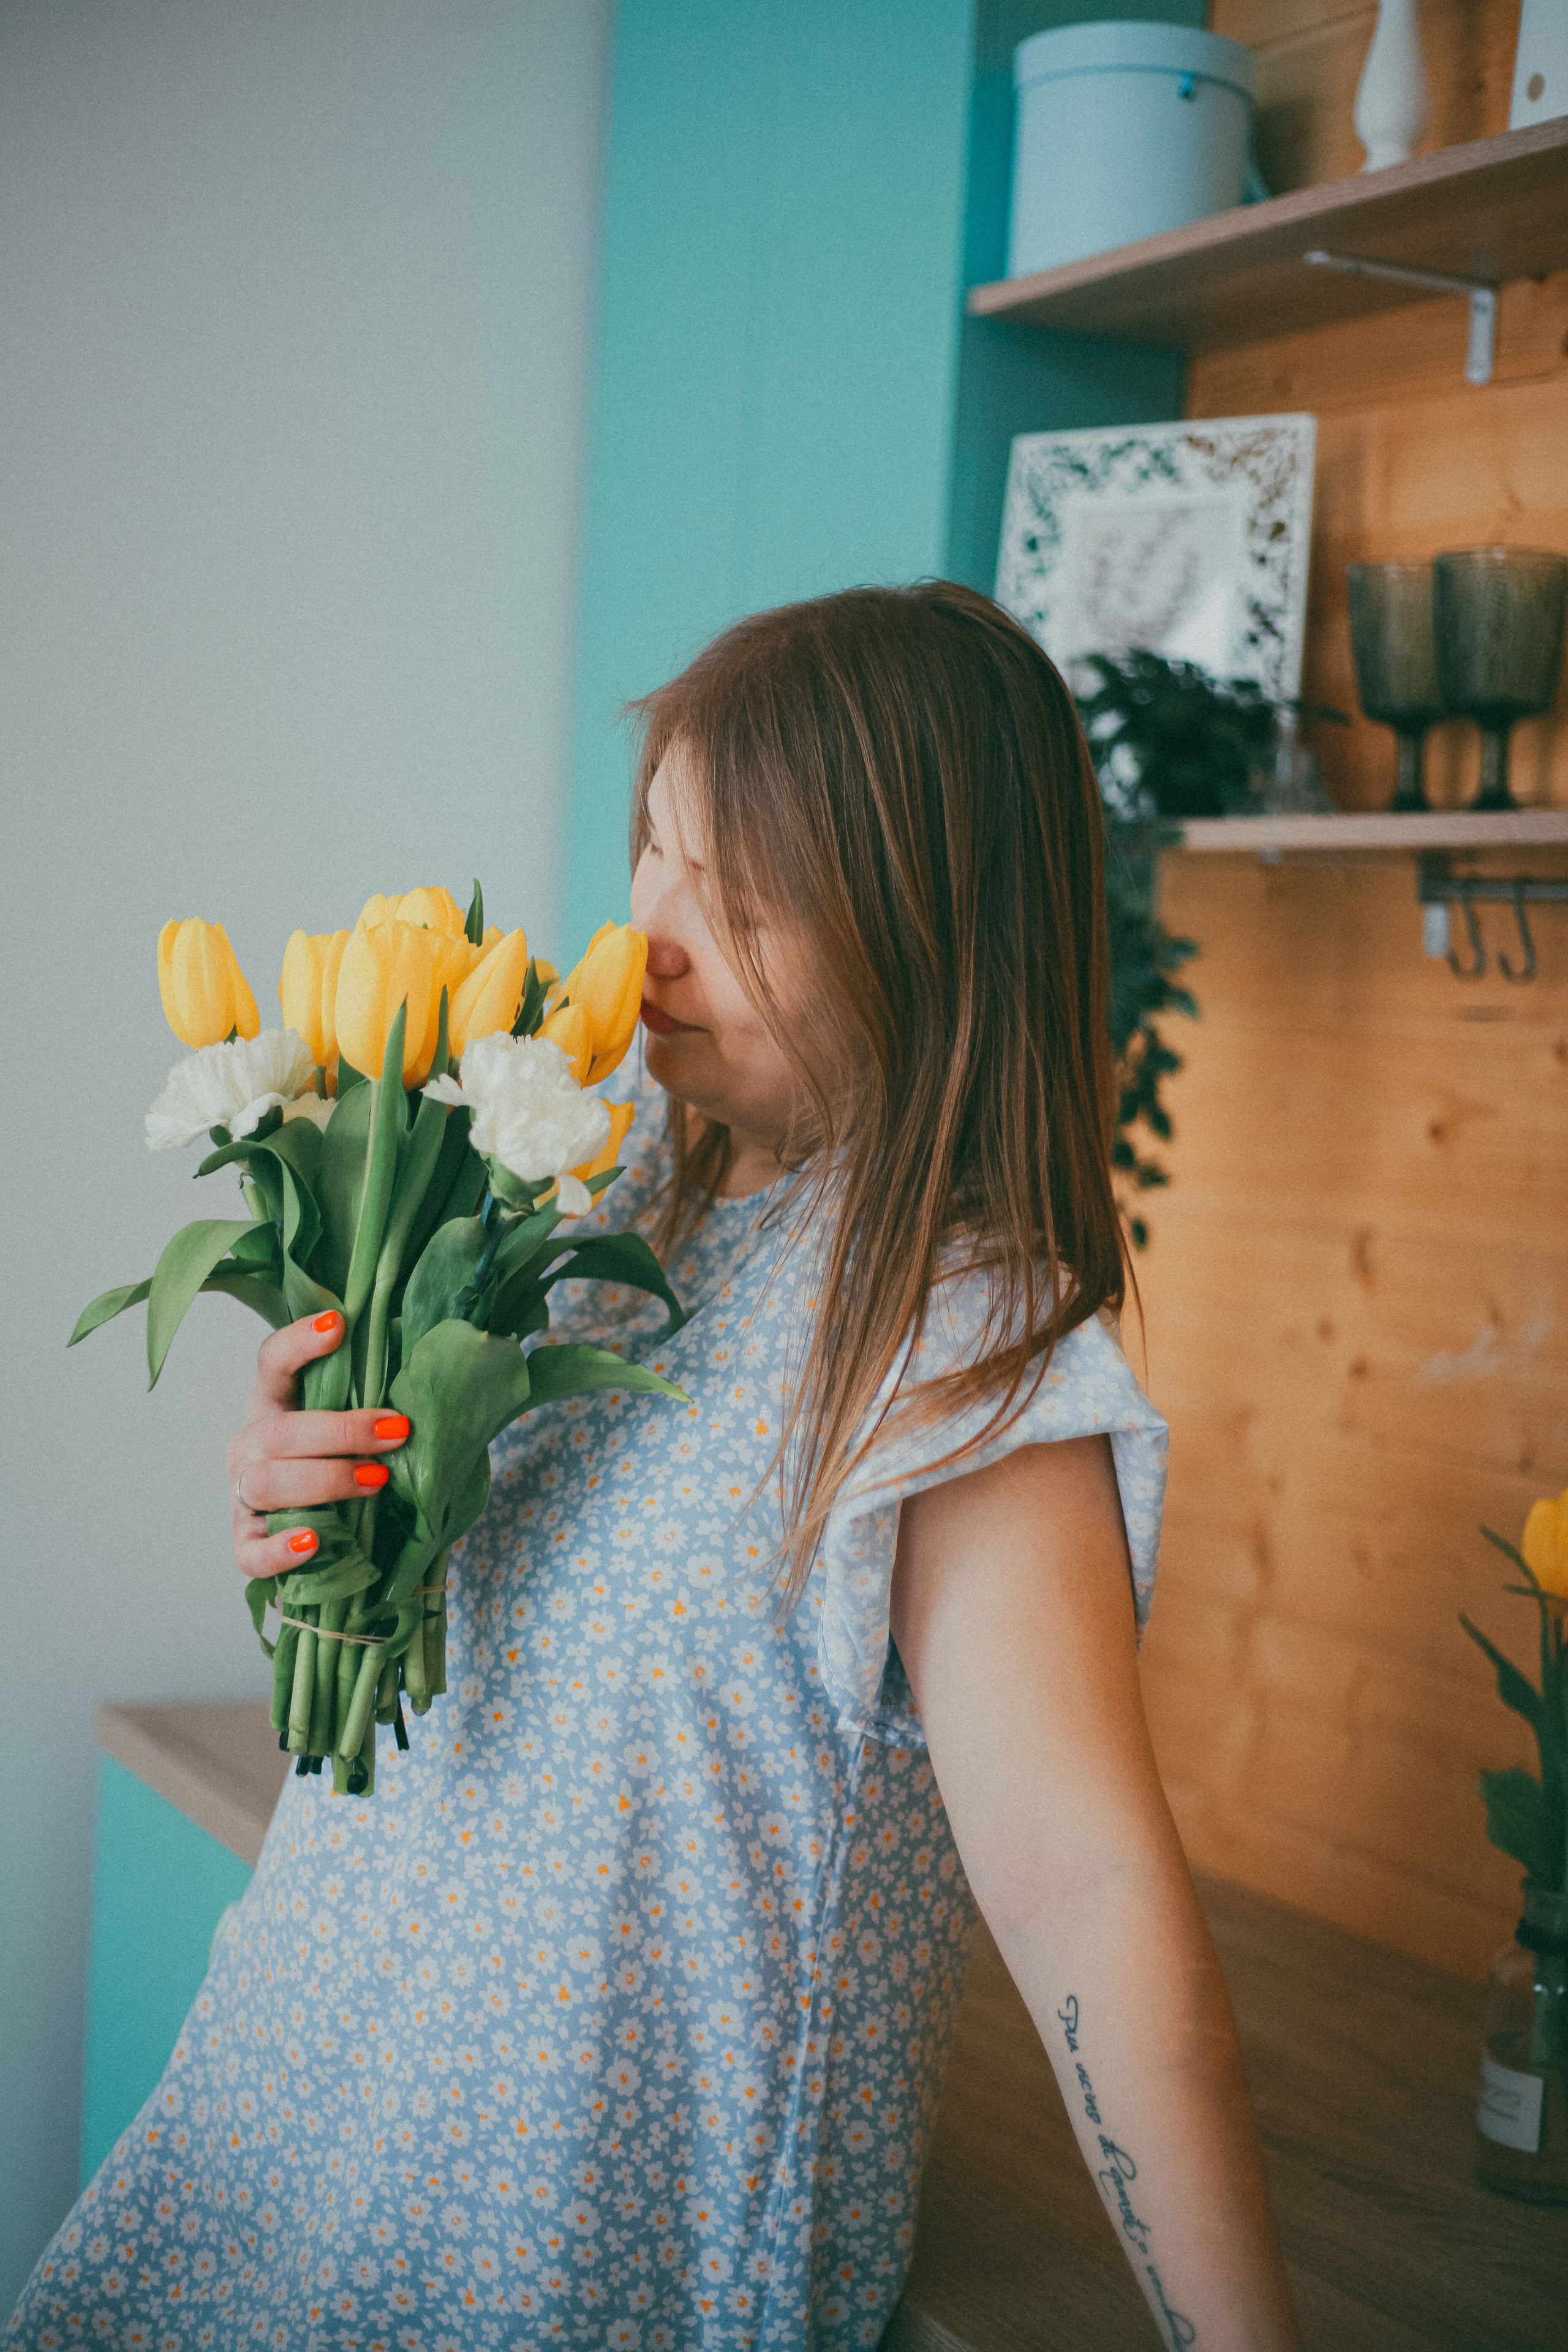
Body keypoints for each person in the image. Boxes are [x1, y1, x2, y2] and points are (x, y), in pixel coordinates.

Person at [12, 584, 1301, 2351]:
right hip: (302, 2112)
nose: (655, 936)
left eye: (746, 893)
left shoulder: (956, 1342)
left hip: (563, 2251)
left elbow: (1084, 1887)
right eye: (660, 857)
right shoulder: (606, 1200)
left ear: (931, 929)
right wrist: (306, 1516)